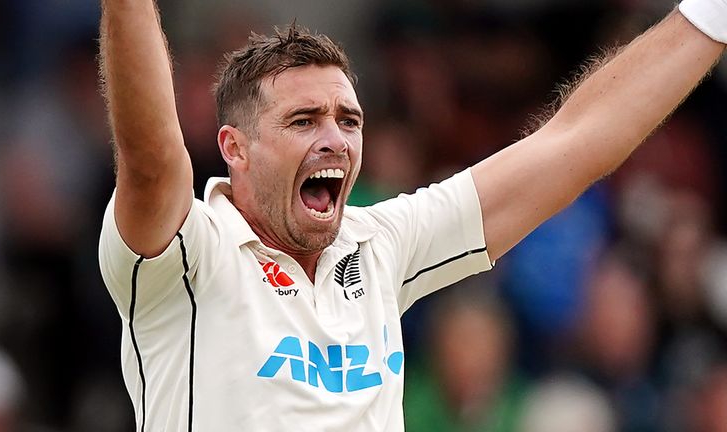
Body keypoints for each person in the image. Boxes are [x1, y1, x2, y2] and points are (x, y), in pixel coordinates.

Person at [96, 0, 726, 430]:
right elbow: (150, 161)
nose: (335, 140)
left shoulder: (381, 241)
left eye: (348, 120)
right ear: (234, 147)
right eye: (302, 120)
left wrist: (710, 14)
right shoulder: (186, 255)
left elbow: (574, 140)